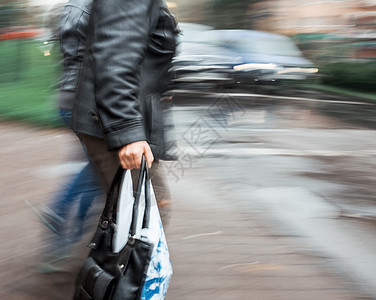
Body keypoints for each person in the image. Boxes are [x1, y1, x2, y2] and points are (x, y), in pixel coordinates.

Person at [71, 0, 177, 221]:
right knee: (142, 223)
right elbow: (115, 60)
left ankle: (104, 254)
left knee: (132, 221)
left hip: (118, 118)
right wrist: (128, 133)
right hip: (115, 122)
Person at [36, 0, 104, 269]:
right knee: (96, 168)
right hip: (87, 101)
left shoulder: (69, 8)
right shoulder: (100, 9)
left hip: (65, 98)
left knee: (92, 168)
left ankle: (67, 240)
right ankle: (61, 213)